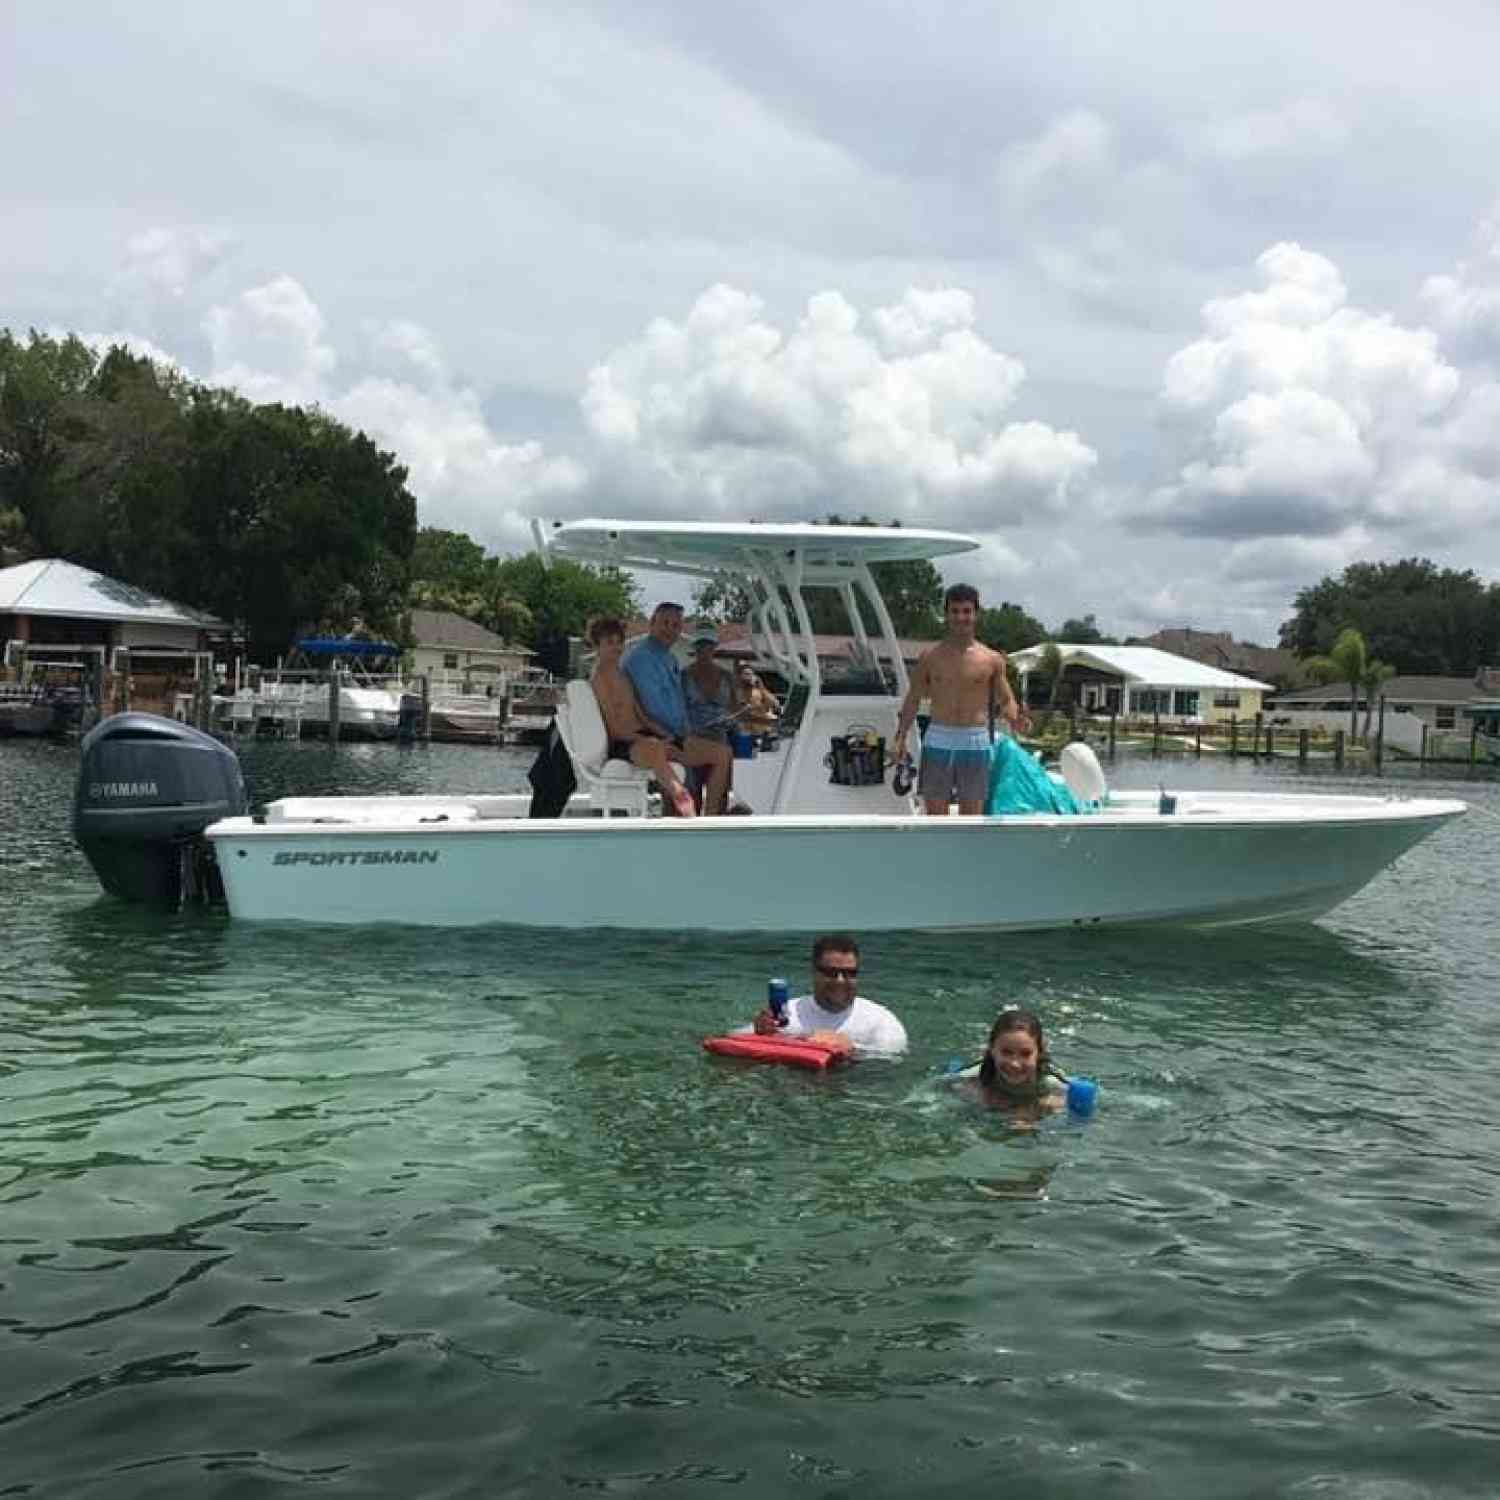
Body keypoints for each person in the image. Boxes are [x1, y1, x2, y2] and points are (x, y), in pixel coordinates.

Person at [892, 583, 1028, 815]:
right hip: (938, 739)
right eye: (954, 611)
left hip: (975, 740)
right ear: (946, 615)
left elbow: (1005, 700)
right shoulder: (930, 657)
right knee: (935, 818)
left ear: (976, 614)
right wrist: (900, 736)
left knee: (972, 818)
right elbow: (913, 699)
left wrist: (1017, 720)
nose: (960, 617)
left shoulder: (991, 659)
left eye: (966, 611)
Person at [586, 616, 722, 819]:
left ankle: (711, 817)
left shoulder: (621, 674)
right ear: (597, 646)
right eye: (609, 643)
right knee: (656, 748)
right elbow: (614, 728)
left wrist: (665, 734)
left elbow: (641, 714)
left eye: (619, 642)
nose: (616, 647)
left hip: (644, 737)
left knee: (717, 753)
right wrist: (648, 739)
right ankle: (680, 794)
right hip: (624, 744)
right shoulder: (599, 678)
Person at [615, 603, 732, 815]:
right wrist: (680, 737)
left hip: (675, 735)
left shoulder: (668, 658)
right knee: (703, 764)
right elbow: (654, 708)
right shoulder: (642, 658)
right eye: (665, 623)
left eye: (675, 625)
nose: (669, 629)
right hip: (654, 737)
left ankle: (711, 821)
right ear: (652, 624)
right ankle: (689, 820)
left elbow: (676, 704)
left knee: (723, 754)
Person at [748, 933, 907, 1057]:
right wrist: (759, 1033)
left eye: (849, 973)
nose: (840, 981)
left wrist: (852, 1048)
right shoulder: (786, 1013)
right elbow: (732, 1041)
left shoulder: (880, 1022)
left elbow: (892, 1061)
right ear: (814, 972)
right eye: (831, 972)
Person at [968, 1009, 1065, 1115]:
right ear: (992, 1050)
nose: (1015, 1064)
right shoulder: (970, 1079)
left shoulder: (1055, 1086)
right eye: (1006, 1052)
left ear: (1039, 1053)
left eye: (1025, 1054)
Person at [684, 630, 735, 742]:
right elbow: (676, 708)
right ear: (694, 648)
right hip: (692, 738)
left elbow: (735, 708)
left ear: (714, 648)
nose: (704, 651)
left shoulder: (727, 675)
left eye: (708, 647)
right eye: (700, 646)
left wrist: (730, 720)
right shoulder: (683, 675)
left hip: (720, 738)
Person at [735, 664, 781, 735]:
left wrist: (760, 686)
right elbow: (742, 708)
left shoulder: (758, 689)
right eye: (746, 674)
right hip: (746, 727)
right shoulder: (739, 690)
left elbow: (772, 702)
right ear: (740, 676)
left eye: (751, 674)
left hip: (762, 725)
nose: (749, 677)